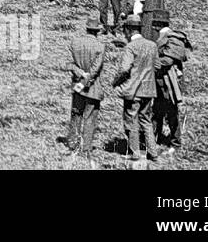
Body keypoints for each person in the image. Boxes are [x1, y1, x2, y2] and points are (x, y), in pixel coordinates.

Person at [113, 14, 160, 163]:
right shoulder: (152, 45)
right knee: (146, 121)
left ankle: (135, 153)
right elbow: (157, 66)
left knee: (131, 120)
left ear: (128, 30)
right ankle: (153, 153)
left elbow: (124, 70)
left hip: (133, 91)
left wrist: (115, 82)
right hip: (149, 90)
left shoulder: (130, 47)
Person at [66, 20, 106, 162]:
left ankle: (72, 143)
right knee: (90, 118)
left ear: (87, 29)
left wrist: (80, 74)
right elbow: (96, 69)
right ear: (97, 31)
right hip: (93, 87)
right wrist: (87, 78)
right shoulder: (100, 46)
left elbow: (69, 64)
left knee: (76, 113)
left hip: (78, 85)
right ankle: (86, 148)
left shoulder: (75, 42)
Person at [154, 26, 191, 151]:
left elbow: (167, 61)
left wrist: (152, 62)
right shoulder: (173, 43)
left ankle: (175, 142)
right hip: (165, 83)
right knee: (160, 111)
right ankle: (156, 139)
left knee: (170, 113)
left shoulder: (169, 42)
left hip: (168, 85)